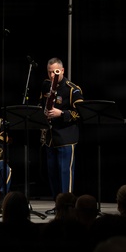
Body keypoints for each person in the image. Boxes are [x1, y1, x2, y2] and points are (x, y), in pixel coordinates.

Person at [39, 57, 83, 195]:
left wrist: (61, 113)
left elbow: (80, 113)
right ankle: (57, 204)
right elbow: (41, 104)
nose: (52, 75)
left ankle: (67, 205)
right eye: (49, 72)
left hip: (66, 138)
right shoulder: (46, 85)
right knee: (52, 174)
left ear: (62, 70)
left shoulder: (72, 89)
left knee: (65, 174)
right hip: (50, 138)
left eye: (55, 72)